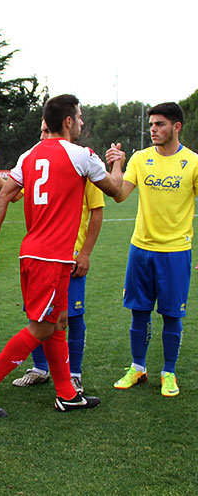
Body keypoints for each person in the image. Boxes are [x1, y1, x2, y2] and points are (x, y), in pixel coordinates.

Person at [0, 94, 123, 417]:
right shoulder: (83, 155)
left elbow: (3, 199)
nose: (81, 123)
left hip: (33, 254)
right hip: (51, 259)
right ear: (68, 121)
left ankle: (67, 393)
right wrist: (118, 163)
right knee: (40, 327)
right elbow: (117, 192)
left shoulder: (28, 155)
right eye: (79, 118)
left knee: (58, 322)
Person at [110, 102, 197, 397]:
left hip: (175, 252)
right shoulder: (140, 158)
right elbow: (120, 194)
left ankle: (168, 372)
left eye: (159, 124)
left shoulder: (193, 162)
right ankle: (138, 367)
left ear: (176, 127)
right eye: (150, 125)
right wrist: (117, 164)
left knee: (172, 315)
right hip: (141, 249)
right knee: (139, 311)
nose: (153, 130)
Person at [12, 121, 104, 392]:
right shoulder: (39, 161)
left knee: (71, 317)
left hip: (70, 256)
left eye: (45, 130)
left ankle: (72, 373)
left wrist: (85, 253)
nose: (42, 136)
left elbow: (97, 210)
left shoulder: (82, 161)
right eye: (40, 130)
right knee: (38, 315)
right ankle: (40, 369)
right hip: (44, 255)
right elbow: (11, 194)